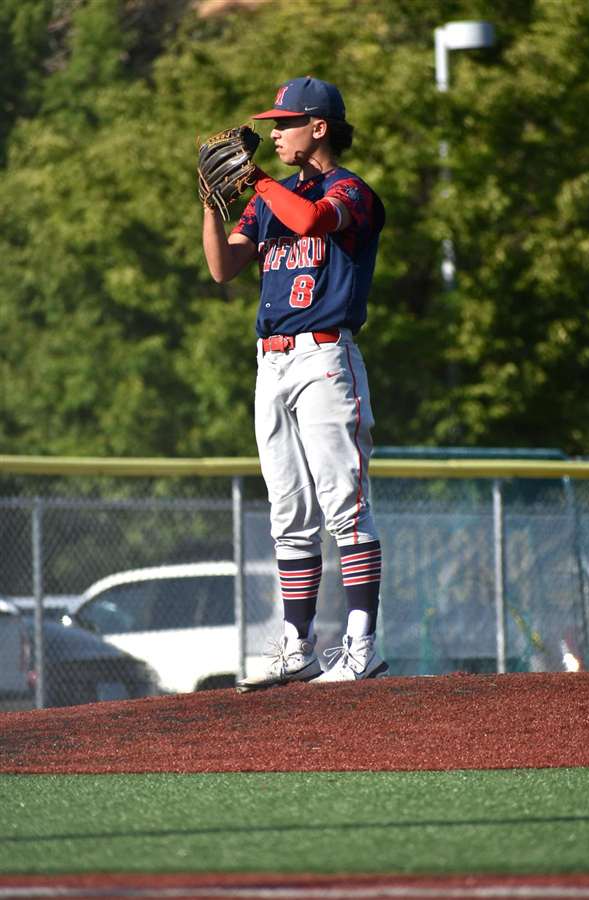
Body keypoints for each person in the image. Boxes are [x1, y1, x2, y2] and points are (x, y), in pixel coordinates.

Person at [201, 76, 387, 690]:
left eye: (286, 121)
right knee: (289, 509)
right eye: (274, 122)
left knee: (344, 502)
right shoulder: (268, 197)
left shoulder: (351, 192)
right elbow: (224, 267)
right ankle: (297, 645)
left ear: (321, 127)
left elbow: (309, 221)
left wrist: (255, 182)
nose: (273, 131)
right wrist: (210, 203)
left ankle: (360, 644)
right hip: (271, 362)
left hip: (324, 358)